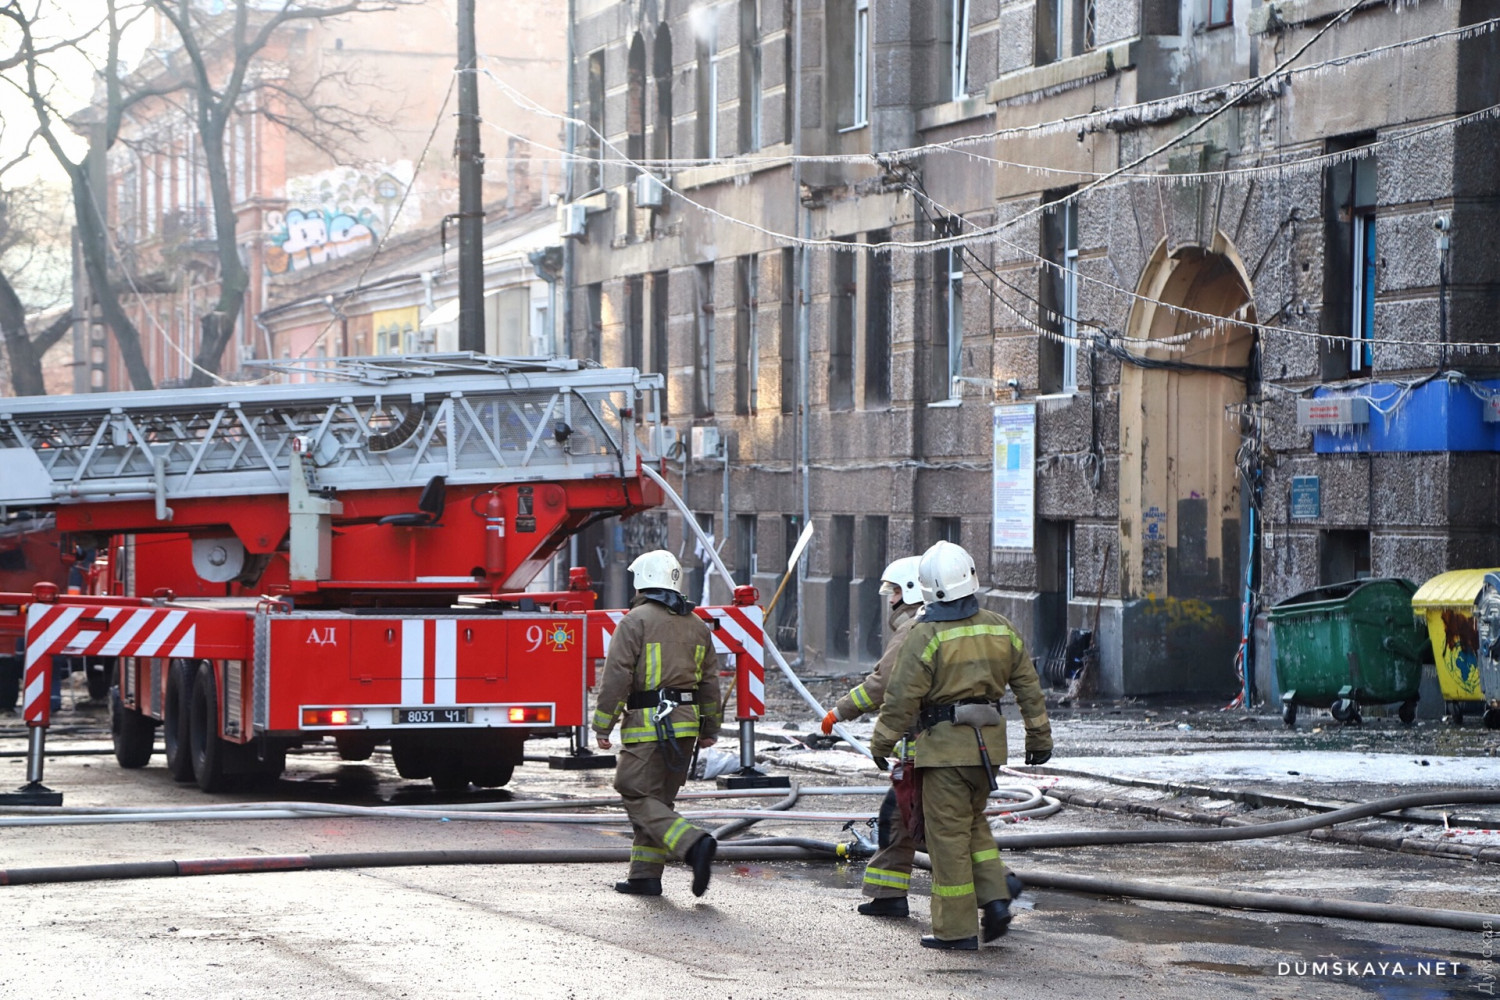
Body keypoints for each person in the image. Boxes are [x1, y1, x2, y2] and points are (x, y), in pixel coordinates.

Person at [869, 540, 1053, 950]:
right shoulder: (1000, 627)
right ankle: (996, 898)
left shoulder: (925, 635)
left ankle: (955, 931)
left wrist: (881, 742)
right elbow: (1029, 687)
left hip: (944, 754)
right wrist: (1039, 738)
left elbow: (901, 697)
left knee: (947, 840)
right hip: (989, 753)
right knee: (972, 826)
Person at [593, 549, 722, 897]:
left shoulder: (634, 621)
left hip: (649, 726)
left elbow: (616, 677)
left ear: (642, 581)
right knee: (658, 802)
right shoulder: (697, 626)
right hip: (686, 727)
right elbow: (709, 682)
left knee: (633, 790)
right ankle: (644, 876)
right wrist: (710, 728)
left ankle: (693, 843)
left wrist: (602, 725)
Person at [820, 555, 923, 917]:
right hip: (934, 746)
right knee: (900, 818)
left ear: (912, 590)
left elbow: (882, 684)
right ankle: (887, 895)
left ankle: (997, 889)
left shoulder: (913, 629)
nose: (890, 599)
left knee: (939, 829)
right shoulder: (934, 624)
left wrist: (840, 711)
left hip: (930, 748)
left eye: (894, 591)